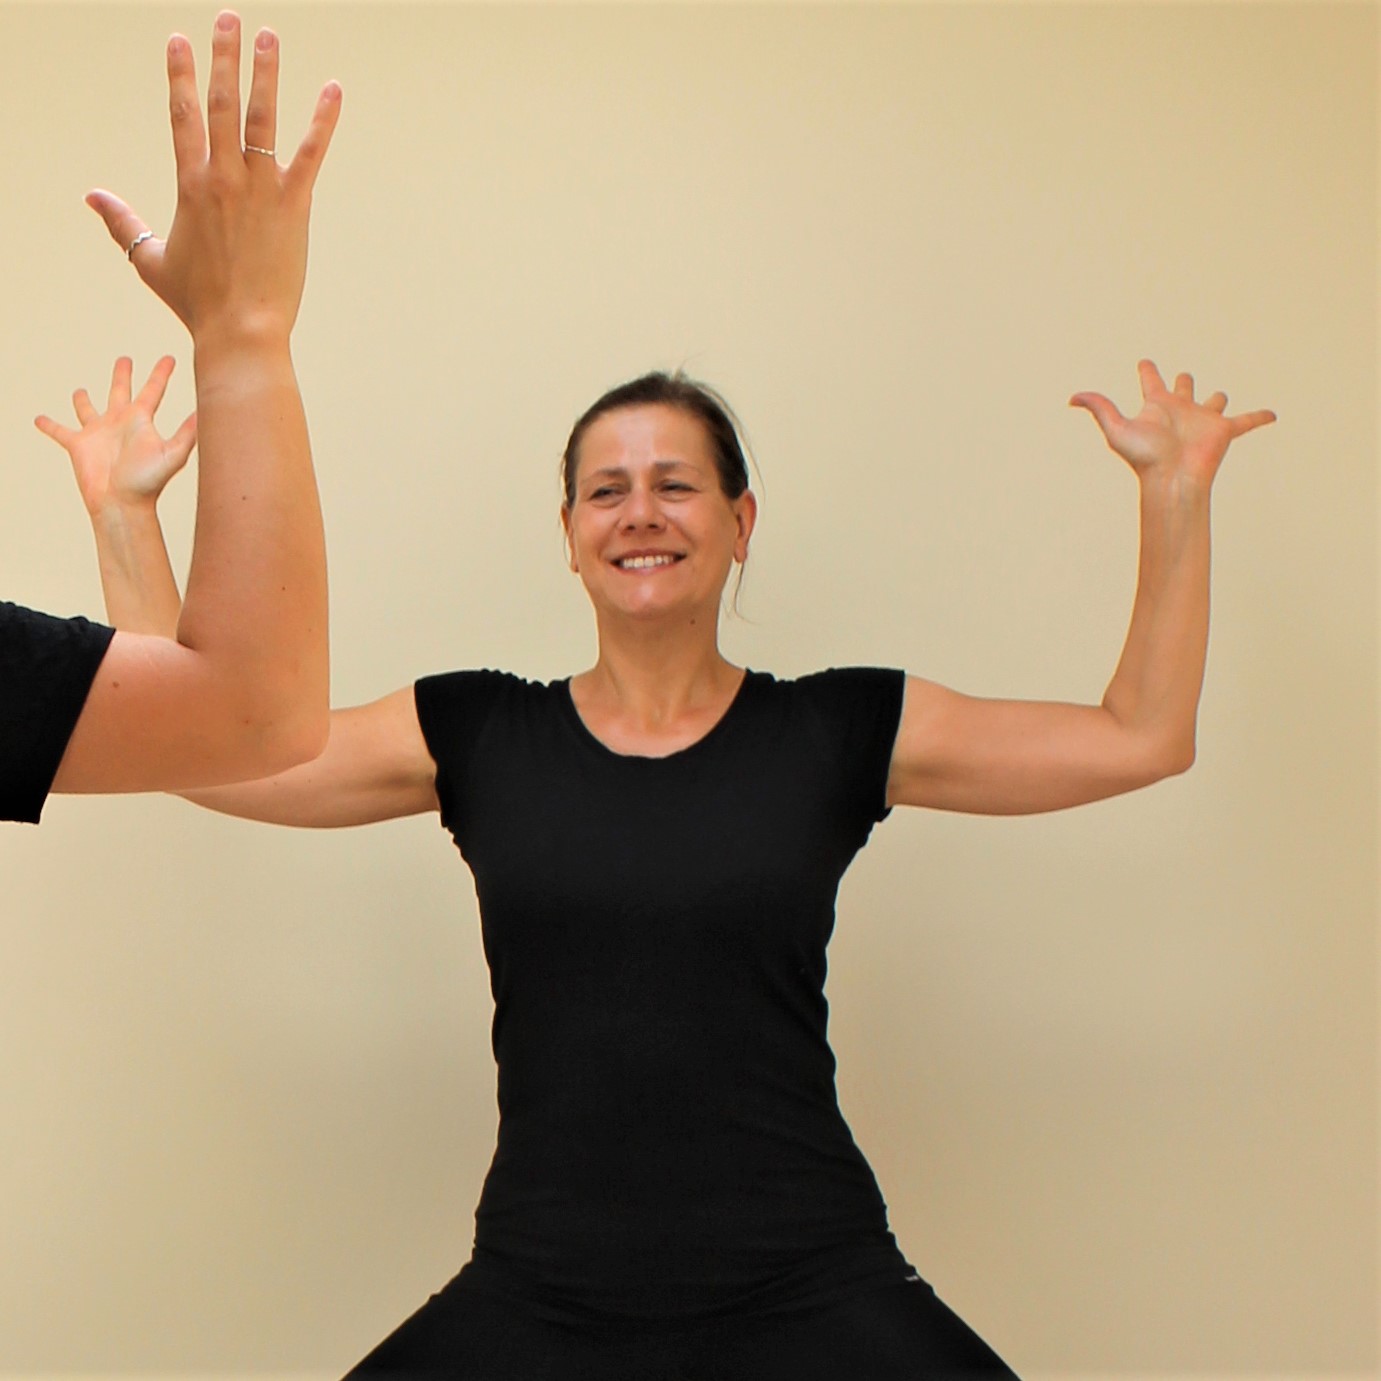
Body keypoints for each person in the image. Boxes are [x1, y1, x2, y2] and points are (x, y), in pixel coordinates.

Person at [63, 360, 1274, 1377]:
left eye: (675, 485)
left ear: (740, 523)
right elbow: (215, 758)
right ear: (572, 537)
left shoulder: (841, 730)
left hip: (808, 1273)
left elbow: (1140, 736)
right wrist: (125, 516)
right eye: (606, 491)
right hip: (544, 1285)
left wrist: (1176, 494)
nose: (639, 513)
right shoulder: (476, 732)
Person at [1, 11, 340, 825]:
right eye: (608, 490)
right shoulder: (489, 725)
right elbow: (245, 725)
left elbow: (223, 730)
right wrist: (241, 326)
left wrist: (122, 519)